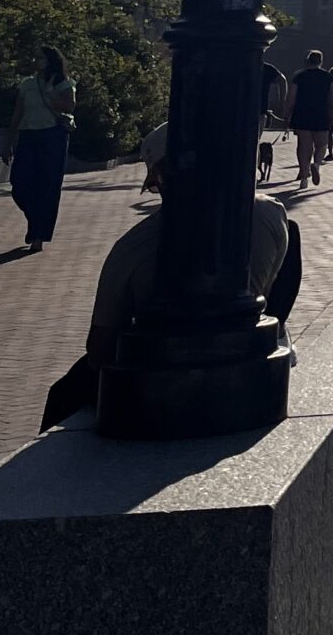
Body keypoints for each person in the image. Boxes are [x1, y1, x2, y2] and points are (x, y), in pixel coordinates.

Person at [38, 121, 299, 428]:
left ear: (163, 178)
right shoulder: (269, 214)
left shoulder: (132, 249)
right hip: (255, 357)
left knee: (62, 395)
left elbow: (99, 350)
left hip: (165, 380)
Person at [8, 45, 76, 251]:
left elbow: (69, 107)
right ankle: (36, 220)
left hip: (53, 135)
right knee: (19, 184)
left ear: (51, 61)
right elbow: (18, 112)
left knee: (48, 186)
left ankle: (39, 234)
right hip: (29, 135)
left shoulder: (64, 83)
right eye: (36, 58)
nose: (37, 62)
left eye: (41, 58)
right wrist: (9, 140)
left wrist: (51, 93)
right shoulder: (27, 84)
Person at [288, 49, 333, 187]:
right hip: (321, 113)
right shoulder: (328, 77)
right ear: (321, 61)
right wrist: (332, 114)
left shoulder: (299, 76)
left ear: (307, 61)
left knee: (303, 146)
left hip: (302, 113)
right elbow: (332, 98)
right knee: (322, 144)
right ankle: (317, 164)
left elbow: (292, 97)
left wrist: (287, 113)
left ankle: (304, 177)